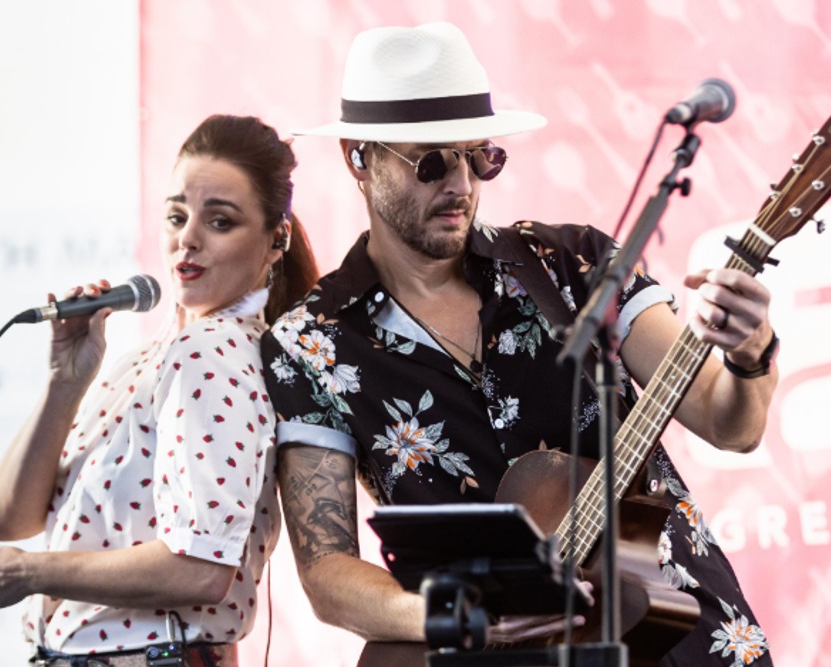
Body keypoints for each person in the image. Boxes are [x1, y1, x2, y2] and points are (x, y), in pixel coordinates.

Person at [260, 22, 776, 666]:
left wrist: (750, 353)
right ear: (358, 158)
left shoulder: (573, 263)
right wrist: (460, 620)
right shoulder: (308, 344)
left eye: (480, 156)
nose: (461, 184)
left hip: (676, 632)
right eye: (431, 161)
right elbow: (327, 573)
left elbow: (731, 425)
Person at [0, 114, 318, 666]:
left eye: (220, 221)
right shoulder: (149, 358)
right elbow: (13, 518)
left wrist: (29, 572)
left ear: (276, 240)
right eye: (176, 216)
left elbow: (201, 569)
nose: (188, 239)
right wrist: (65, 383)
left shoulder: (211, 352)